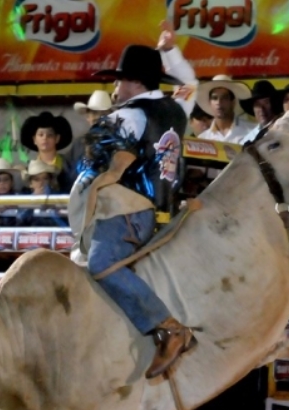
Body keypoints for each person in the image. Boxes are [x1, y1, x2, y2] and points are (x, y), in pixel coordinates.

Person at [74, 22, 198, 379]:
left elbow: (96, 171)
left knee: (97, 263)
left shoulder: (125, 116)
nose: (114, 88)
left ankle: (168, 327)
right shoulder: (177, 109)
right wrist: (170, 52)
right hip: (165, 213)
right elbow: (190, 84)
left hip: (129, 214)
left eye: (117, 81)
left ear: (134, 82)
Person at [20, 111, 75, 192]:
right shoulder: (29, 169)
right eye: (41, 135)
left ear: (57, 138)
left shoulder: (68, 166)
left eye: (50, 135)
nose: (45, 138)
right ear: (34, 139)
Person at [196, 75, 254, 144]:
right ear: (210, 103)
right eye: (214, 98)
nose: (219, 102)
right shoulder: (203, 139)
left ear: (233, 102)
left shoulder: (252, 131)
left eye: (224, 98)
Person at [69, 90, 114, 174]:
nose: (98, 117)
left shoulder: (121, 143)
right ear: (87, 117)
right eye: (94, 113)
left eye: (103, 114)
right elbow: (69, 175)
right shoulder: (79, 144)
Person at [24, 159, 67, 227]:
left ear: (50, 181)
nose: (42, 182)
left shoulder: (58, 197)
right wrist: (33, 199)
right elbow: (21, 220)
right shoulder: (23, 199)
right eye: (37, 179)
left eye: (45, 178)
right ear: (30, 184)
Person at [239, 80, 282, 145]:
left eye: (266, 103)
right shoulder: (249, 139)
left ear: (274, 104)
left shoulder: (286, 130)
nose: (262, 109)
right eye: (257, 105)